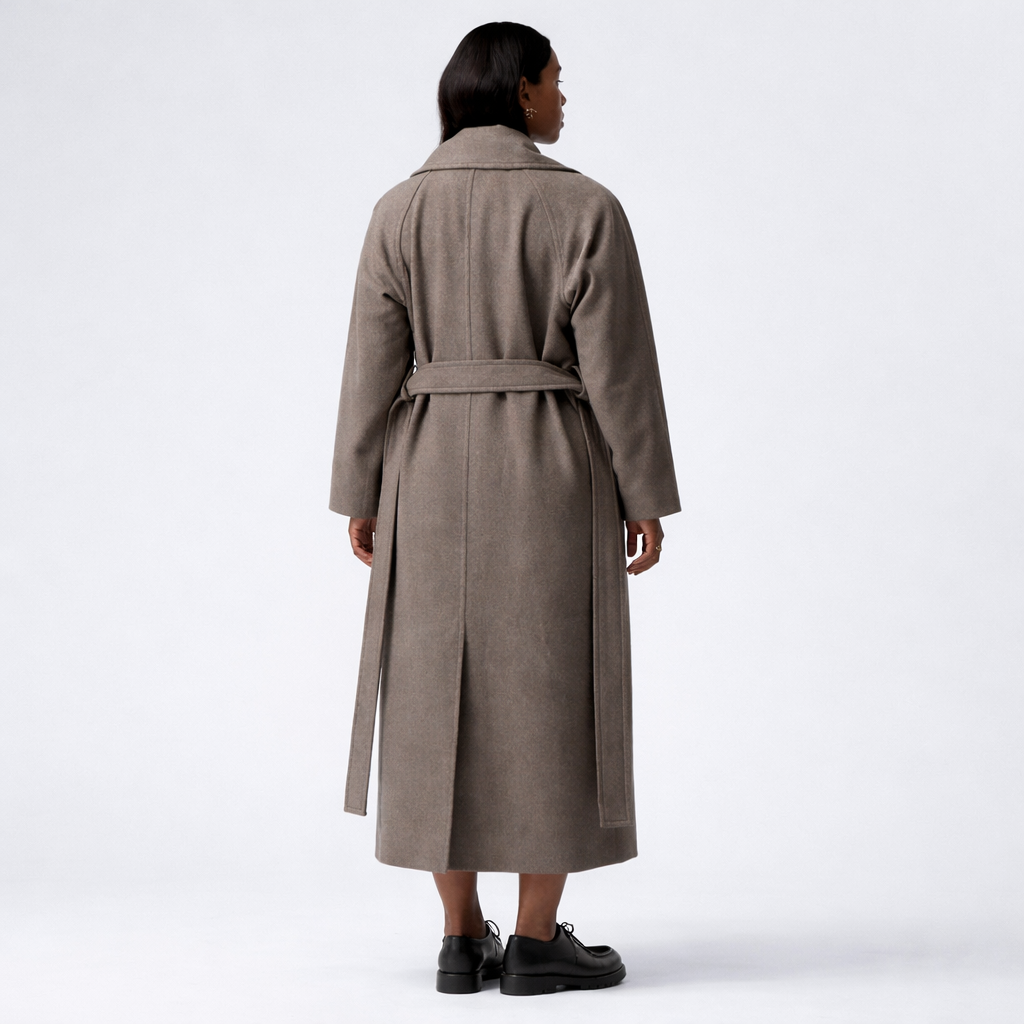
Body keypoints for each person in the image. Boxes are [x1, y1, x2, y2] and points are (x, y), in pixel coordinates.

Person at [330, 22, 679, 996]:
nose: (564, 98)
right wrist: (644, 491)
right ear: (521, 91)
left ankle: (459, 937)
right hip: (551, 465)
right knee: (550, 688)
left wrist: (360, 488)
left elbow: (370, 363)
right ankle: (534, 940)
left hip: (428, 466)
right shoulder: (583, 206)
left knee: (431, 691)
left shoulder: (399, 210)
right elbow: (620, 369)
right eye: (556, 81)